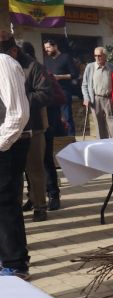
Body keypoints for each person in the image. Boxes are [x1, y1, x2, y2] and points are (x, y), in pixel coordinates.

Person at [1, 32, 53, 223]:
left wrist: (17, 100)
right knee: (15, 172)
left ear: (14, 51)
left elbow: (46, 94)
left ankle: (40, 205)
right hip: (8, 128)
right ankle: (23, 202)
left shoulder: (33, 66)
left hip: (33, 127)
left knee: (34, 169)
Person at [0, 47, 31, 279]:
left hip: (6, 146)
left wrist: (0, 144)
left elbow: (18, 113)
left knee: (5, 204)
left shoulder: (4, 63)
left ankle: (15, 264)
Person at [22, 41, 65, 211]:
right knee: (29, 165)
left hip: (44, 124)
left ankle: (53, 194)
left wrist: (30, 99)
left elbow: (59, 97)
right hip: (25, 126)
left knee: (45, 162)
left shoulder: (40, 70)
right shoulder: (18, 71)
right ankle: (33, 197)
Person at [43, 39, 78, 136]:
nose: (47, 50)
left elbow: (75, 74)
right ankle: (59, 140)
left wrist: (60, 77)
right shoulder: (46, 60)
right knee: (54, 119)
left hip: (64, 92)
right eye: (45, 48)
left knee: (67, 117)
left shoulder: (66, 57)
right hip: (51, 93)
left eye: (48, 47)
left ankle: (71, 140)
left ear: (55, 46)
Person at [81, 47, 113, 139]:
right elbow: (84, 85)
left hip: (109, 98)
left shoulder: (111, 67)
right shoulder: (90, 67)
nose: (97, 58)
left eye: (99, 55)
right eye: (95, 55)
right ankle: (101, 145)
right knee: (98, 124)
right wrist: (86, 98)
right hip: (95, 99)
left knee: (112, 123)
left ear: (105, 56)